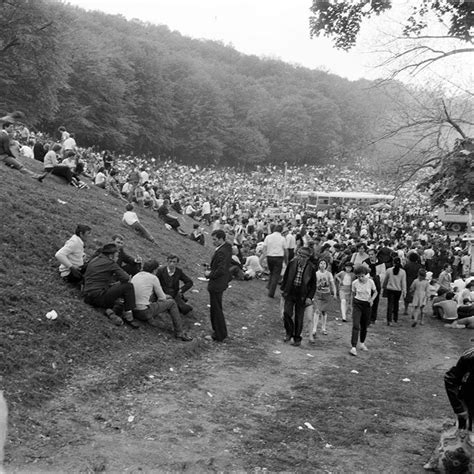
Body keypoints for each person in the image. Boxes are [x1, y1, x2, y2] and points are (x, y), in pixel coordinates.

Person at [131, 260, 192, 341]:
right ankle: (179, 332)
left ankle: (152, 318)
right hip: (143, 312)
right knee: (172, 302)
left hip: (132, 311)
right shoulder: (153, 278)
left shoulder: (136, 275)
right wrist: (168, 296)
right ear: (154, 270)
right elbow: (162, 297)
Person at [82, 243, 138, 327]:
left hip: (87, 295)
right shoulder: (111, 263)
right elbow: (126, 278)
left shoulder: (96, 259)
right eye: (116, 256)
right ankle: (129, 317)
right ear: (111, 256)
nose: (117, 258)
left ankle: (110, 311)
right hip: (98, 296)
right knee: (128, 286)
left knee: (117, 290)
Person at [280, 246, 316, 346]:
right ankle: (289, 332)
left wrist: (309, 297)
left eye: (304, 257)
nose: (301, 258)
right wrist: (283, 290)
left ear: (308, 258)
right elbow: (286, 276)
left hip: (302, 295)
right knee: (287, 313)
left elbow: (313, 284)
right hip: (290, 292)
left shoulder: (311, 268)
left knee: (299, 317)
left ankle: (297, 338)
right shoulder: (292, 263)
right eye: (300, 256)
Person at [205, 230, 232, 342]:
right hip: (221, 283)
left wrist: (209, 274)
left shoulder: (221, 252)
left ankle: (218, 334)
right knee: (217, 308)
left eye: (215, 239)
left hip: (217, 283)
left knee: (216, 310)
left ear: (221, 239)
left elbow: (221, 269)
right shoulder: (227, 248)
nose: (213, 242)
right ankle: (222, 332)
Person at [350, 265, 377, 356]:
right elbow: (353, 293)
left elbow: (376, 292)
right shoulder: (355, 283)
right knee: (356, 325)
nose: (360, 278)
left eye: (362, 276)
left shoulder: (370, 282)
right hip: (357, 304)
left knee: (364, 325)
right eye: (358, 276)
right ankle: (353, 346)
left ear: (366, 274)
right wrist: (351, 305)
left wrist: (372, 299)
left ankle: (362, 343)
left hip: (367, 305)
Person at [310, 259, 337, 340]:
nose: (322, 265)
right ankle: (314, 329)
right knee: (317, 310)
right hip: (318, 294)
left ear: (327, 265)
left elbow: (332, 284)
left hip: (326, 294)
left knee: (324, 312)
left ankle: (323, 327)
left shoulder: (329, 274)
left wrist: (335, 293)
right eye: (321, 263)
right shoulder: (316, 274)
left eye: (324, 263)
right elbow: (313, 285)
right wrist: (311, 295)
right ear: (318, 264)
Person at [262, 224, 287, 298]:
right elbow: (286, 251)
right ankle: (271, 292)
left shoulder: (268, 237)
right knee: (276, 275)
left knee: (272, 272)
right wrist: (286, 260)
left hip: (270, 257)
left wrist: (265, 256)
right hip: (279, 257)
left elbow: (264, 248)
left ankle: (269, 286)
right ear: (281, 230)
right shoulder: (282, 239)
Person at [382, 257, 407, 326]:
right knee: (396, 304)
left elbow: (386, 280)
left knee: (390, 304)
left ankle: (389, 320)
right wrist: (404, 291)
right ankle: (395, 318)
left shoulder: (389, 270)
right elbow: (403, 282)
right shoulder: (402, 272)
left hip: (390, 289)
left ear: (393, 263)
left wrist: (384, 286)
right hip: (398, 290)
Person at [362, 247, 382, 324]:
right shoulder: (365, 262)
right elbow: (363, 272)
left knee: (375, 300)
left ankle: (373, 317)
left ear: (375, 254)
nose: (370, 256)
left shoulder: (381, 263)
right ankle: (367, 317)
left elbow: (383, 273)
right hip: (368, 282)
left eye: (372, 254)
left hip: (377, 282)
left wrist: (377, 277)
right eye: (369, 254)